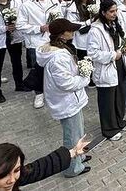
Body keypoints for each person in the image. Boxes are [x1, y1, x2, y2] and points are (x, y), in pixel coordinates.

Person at [33, 19, 91, 178]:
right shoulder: (58, 57)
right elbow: (65, 83)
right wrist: (85, 78)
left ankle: (79, 157)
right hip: (66, 101)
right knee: (71, 136)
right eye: (70, 29)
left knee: (78, 132)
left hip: (72, 100)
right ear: (62, 34)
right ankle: (72, 168)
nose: (73, 32)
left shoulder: (59, 48)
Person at [0, 139, 90, 190]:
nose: (12, 180)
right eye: (3, 175)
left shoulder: (12, 178)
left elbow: (39, 168)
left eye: (17, 170)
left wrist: (73, 152)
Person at [87, 0, 126, 140]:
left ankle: (119, 121)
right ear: (103, 12)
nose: (115, 13)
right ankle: (109, 129)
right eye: (111, 11)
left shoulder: (114, 24)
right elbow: (93, 53)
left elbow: (120, 41)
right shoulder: (95, 30)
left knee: (119, 96)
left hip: (119, 65)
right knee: (107, 100)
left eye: (116, 10)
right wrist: (113, 55)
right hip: (106, 67)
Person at [17, 0, 61, 109]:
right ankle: (39, 93)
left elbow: (60, 18)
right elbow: (20, 25)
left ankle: (53, 91)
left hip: (53, 40)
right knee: (38, 68)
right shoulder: (27, 5)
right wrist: (39, 28)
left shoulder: (54, 1)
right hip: (37, 41)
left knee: (54, 67)